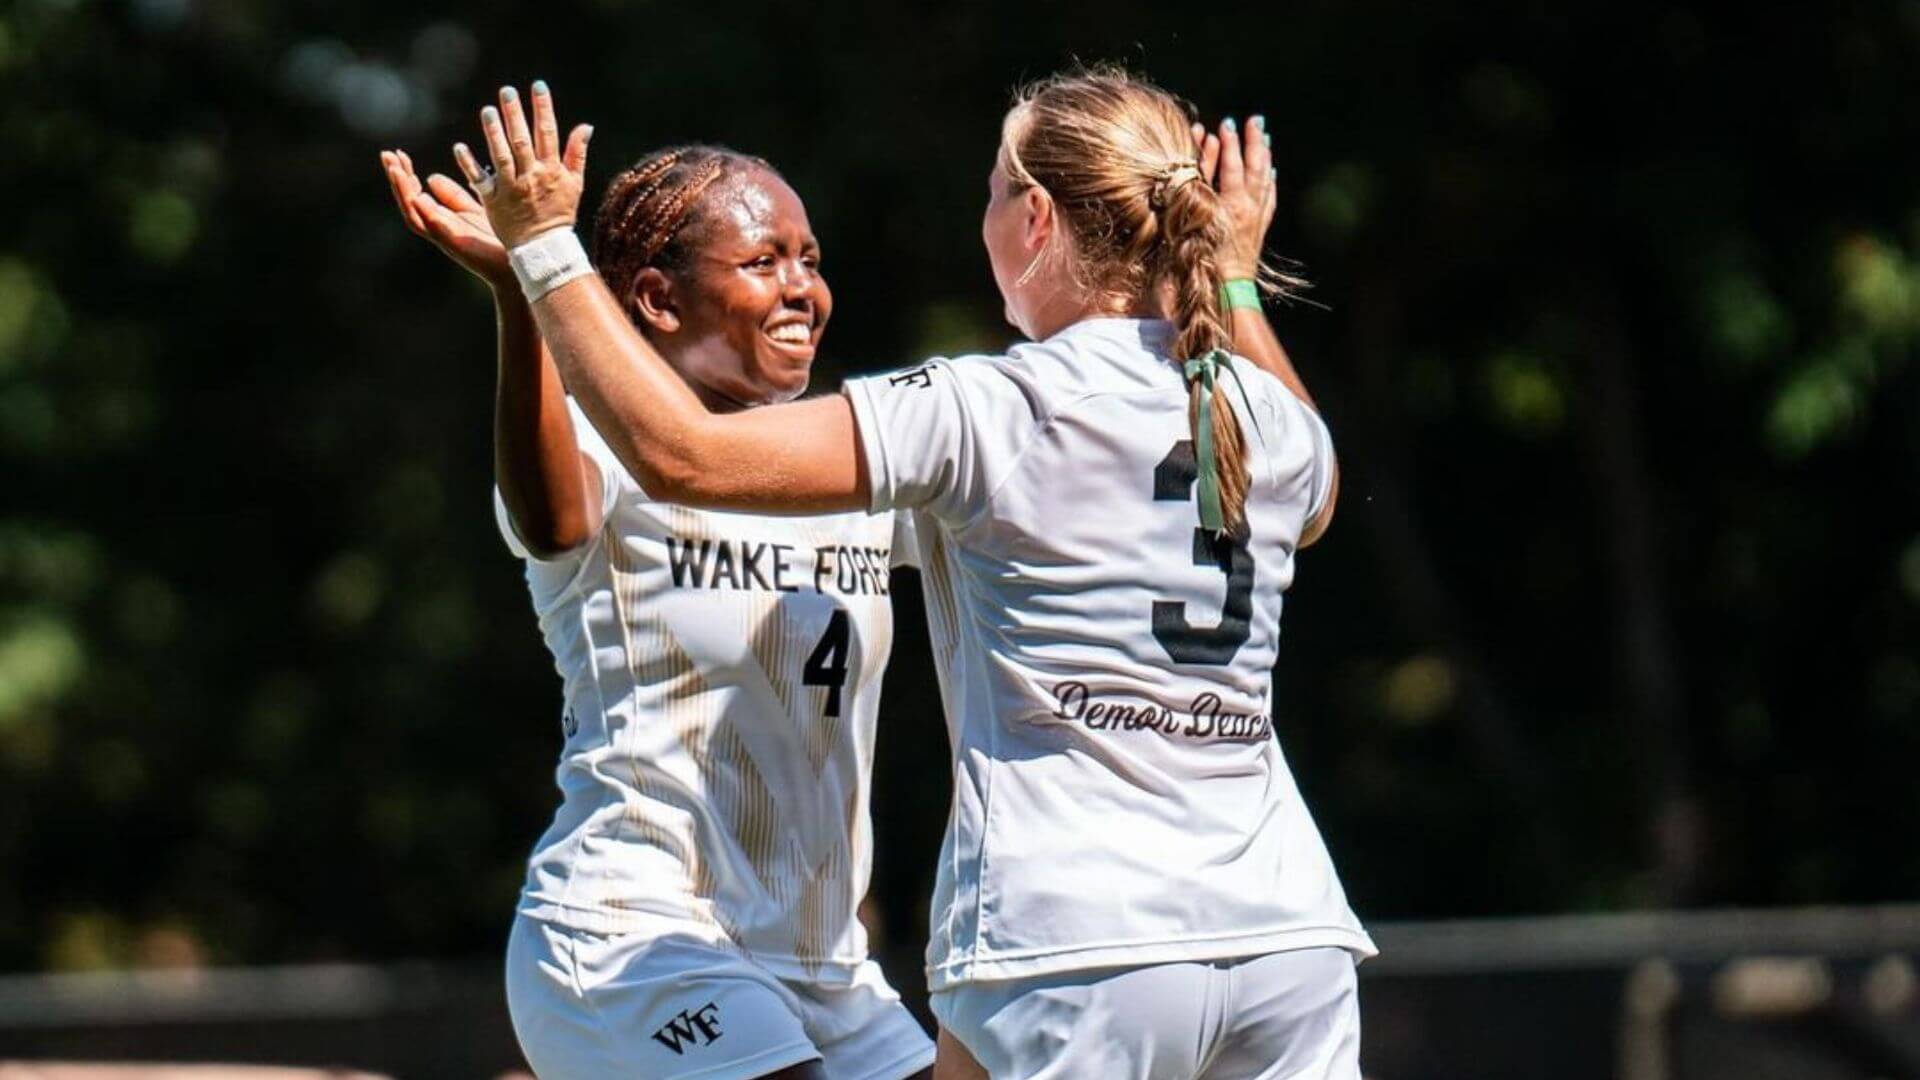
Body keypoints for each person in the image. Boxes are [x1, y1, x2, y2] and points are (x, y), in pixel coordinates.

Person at [461, 68, 1376, 1079]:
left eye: (990, 190)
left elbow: (681, 454)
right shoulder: (1258, 419)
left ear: (1033, 216)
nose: (804, 283)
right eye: (767, 259)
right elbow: (1315, 479)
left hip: (1058, 937)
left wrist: (543, 247)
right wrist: (1233, 281)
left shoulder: (988, 411)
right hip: (1281, 930)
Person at [379, 91, 935, 1080]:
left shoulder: (850, 465)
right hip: (631, 934)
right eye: (764, 263)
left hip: (826, 972)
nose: (802, 286)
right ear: (658, 298)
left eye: (810, 259)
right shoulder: (592, 445)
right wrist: (522, 290)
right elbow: (554, 522)